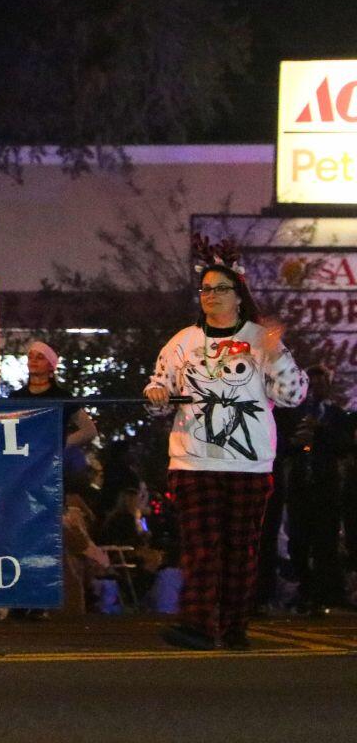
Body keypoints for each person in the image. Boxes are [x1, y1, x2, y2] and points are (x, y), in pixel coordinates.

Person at [144, 237, 306, 650]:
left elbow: (293, 395)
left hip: (249, 464)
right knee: (202, 548)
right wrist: (156, 395)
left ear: (239, 296)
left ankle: (233, 627)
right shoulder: (182, 342)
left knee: (241, 550)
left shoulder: (260, 339)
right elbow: (160, 392)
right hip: (194, 462)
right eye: (205, 290)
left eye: (220, 289)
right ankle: (198, 624)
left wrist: (276, 353)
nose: (210, 297)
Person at [280, 365, 351, 614]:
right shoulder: (296, 413)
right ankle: (306, 588)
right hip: (301, 486)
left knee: (325, 544)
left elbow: (344, 446)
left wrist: (321, 432)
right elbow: (284, 446)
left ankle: (321, 595)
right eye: (314, 384)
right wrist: (297, 442)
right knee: (298, 543)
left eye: (322, 384)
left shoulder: (337, 415)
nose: (318, 388)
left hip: (325, 488)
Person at [8, 341, 97, 448]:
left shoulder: (62, 397)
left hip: (50, 463)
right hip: (23, 461)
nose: (34, 361)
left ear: (50, 366)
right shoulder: (16, 397)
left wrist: (59, 445)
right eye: (30, 357)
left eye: (40, 357)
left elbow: (89, 431)